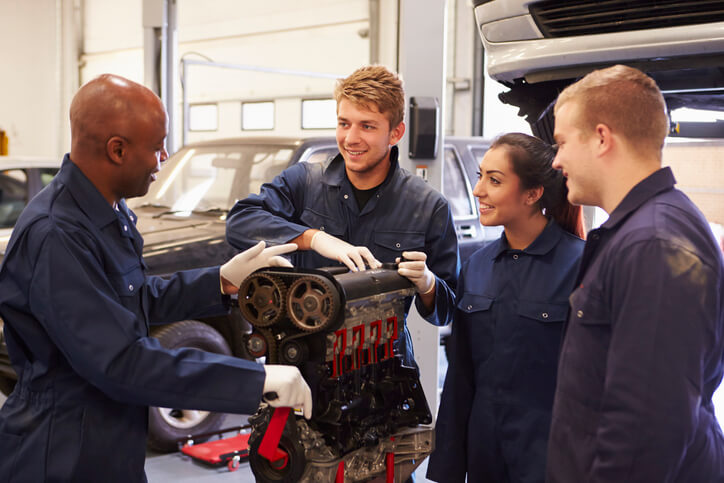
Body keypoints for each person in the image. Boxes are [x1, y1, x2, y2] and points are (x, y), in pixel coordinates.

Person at [0, 74, 312, 482]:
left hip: (111, 436)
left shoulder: (107, 211)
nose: (163, 157)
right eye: (157, 147)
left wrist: (219, 281)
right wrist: (256, 379)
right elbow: (121, 362)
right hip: (63, 448)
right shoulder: (58, 234)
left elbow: (134, 298)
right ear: (117, 150)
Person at [547, 64, 724, 481]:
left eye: (562, 143)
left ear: (602, 138)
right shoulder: (641, 231)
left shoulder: (653, 245)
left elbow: (647, 429)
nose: (556, 160)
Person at [226, 65, 460, 368]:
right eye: (344, 123)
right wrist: (314, 238)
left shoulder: (428, 207)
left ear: (396, 133)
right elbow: (240, 221)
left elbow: (448, 309)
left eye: (367, 126)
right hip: (302, 361)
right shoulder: (303, 182)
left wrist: (428, 284)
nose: (351, 138)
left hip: (384, 367)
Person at [424, 133, 585, 483]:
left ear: (532, 194)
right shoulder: (478, 266)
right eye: (481, 176)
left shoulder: (582, 266)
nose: (478, 190)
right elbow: (461, 375)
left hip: (552, 458)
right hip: (486, 456)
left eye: (494, 180)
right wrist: (449, 466)